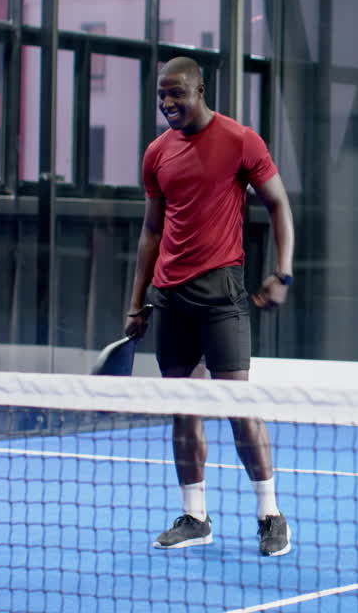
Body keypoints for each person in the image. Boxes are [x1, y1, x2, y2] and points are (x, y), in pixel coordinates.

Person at [124, 57, 295, 557]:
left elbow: (279, 204)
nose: (167, 103)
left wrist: (281, 273)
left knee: (239, 410)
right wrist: (136, 302)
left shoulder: (241, 141)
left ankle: (270, 514)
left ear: (202, 90)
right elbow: (152, 231)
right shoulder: (157, 153)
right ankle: (195, 516)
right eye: (161, 94)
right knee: (184, 410)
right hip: (171, 300)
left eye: (177, 93)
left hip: (222, 298)